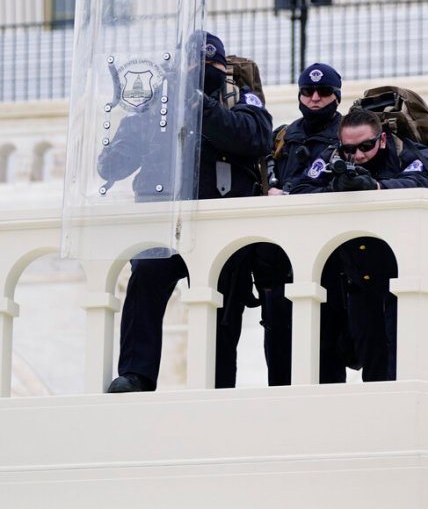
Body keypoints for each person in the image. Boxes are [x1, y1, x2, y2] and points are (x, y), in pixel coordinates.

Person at [106, 32, 273, 393]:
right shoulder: (157, 103)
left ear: (223, 66)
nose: (201, 70)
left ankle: (215, 388)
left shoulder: (238, 98)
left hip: (222, 226)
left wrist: (199, 104)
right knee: (146, 279)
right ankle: (136, 374)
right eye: (193, 63)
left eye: (210, 64)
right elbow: (115, 161)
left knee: (221, 316)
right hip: (166, 223)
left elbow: (253, 137)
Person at [241, 62, 351, 386]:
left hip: (327, 260)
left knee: (327, 352)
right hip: (279, 260)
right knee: (278, 352)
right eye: (308, 92)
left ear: (336, 96)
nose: (315, 98)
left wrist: (293, 193)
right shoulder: (282, 136)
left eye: (324, 92)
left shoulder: (347, 135)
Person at [328, 108, 428, 381]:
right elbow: (302, 188)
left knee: (404, 365)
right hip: (360, 281)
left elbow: (425, 181)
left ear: (382, 139)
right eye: (350, 149)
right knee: (373, 366)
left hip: (401, 276)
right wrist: (336, 187)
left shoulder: (406, 152)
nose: (358, 156)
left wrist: (377, 188)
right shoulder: (337, 158)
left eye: (366, 146)